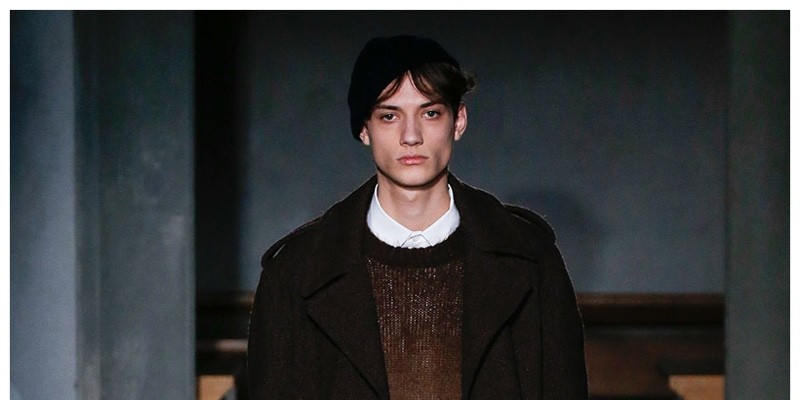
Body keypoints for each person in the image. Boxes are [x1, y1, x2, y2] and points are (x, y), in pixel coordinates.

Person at [247, 35, 587, 399]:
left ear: (458, 121)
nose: (411, 136)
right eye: (389, 116)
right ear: (364, 129)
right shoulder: (296, 274)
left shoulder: (532, 261)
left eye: (430, 113)